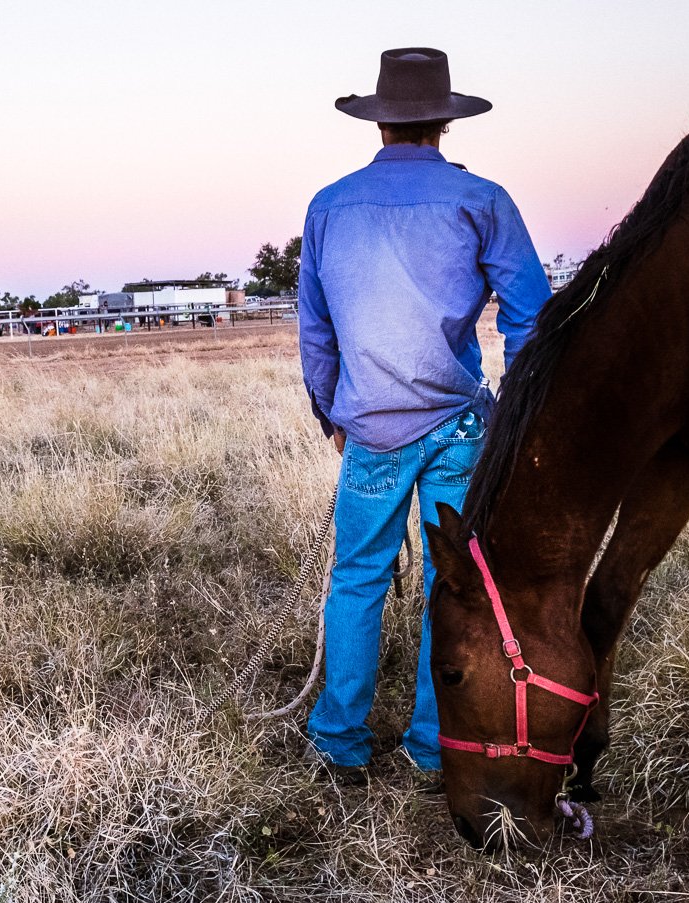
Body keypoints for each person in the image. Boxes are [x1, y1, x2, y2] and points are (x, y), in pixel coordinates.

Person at [298, 47, 550, 785]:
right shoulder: (483, 200)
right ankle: (432, 745)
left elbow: (316, 330)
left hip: (370, 427)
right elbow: (531, 315)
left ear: (379, 124)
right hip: (459, 428)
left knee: (356, 579)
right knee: (458, 585)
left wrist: (330, 410)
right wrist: (510, 409)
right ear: (444, 121)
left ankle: (339, 738)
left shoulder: (328, 205)